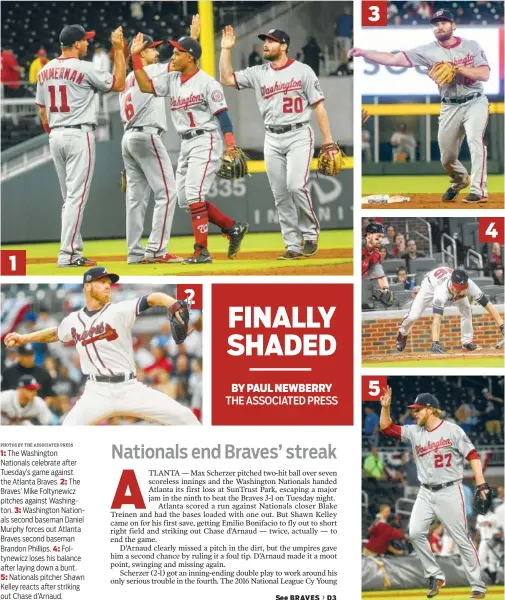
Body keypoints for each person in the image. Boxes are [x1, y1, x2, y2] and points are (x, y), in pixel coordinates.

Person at [4, 266, 200, 426]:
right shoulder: (73, 320)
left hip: (129, 387)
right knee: (67, 431)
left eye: (109, 282)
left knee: (186, 418)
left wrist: (172, 303)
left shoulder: (119, 310)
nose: (108, 286)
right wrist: (25, 338)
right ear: (87, 287)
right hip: (96, 391)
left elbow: (152, 298)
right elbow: (55, 333)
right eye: (102, 282)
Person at [220, 26, 339, 259]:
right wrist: (225, 50)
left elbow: (319, 107)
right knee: (280, 194)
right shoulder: (258, 72)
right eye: (265, 41)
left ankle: (310, 233)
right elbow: (225, 78)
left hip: (298, 134)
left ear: (283, 46)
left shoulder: (303, 71)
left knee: (296, 185)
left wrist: (328, 141)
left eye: (272, 41)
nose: (266, 44)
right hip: (272, 137)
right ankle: (292, 245)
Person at [130, 31, 249, 264]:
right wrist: (135, 57)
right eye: (173, 52)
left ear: (191, 57)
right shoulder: (172, 79)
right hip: (186, 143)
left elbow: (222, 115)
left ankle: (201, 251)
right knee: (185, 199)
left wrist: (231, 144)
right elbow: (144, 86)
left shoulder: (207, 83)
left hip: (206, 139)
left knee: (194, 194)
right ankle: (231, 227)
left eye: (177, 53)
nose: (172, 57)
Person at [349, 9, 490, 203]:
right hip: (449, 105)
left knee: (476, 141)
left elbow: (484, 74)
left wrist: (457, 68)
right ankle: (459, 180)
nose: (439, 26)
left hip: (475, 100)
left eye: (444, 22)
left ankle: (478, 190)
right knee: (447, 158)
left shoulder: (471, 46)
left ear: (453, 25)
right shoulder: (427, 51)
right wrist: (364, 53)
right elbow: (394, 59)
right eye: (436, 23)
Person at [379, 387, 490, 599]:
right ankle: (435, 575)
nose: (415, 413)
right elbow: (387, 429)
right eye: (414, 410)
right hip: (425, 492)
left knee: (461, 539)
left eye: (418, 409)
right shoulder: (414, 431)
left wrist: (481, 482)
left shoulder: (453, 430)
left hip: (449, 490)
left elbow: (473, 455)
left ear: (431, 410)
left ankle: (478, 586)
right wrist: (386, 408)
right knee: (415, 532)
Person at [35, 24, 126, 267]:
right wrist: (118, 50)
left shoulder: (45, 70)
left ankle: (73, 251)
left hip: (55, 135)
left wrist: (54, 133)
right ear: (76, 44)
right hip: (79, 134)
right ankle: (67, 254)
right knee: (76, 198)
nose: (87, 43)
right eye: (84, 40)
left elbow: (42, 111)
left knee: (69, 198)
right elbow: (118, 84)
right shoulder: (85, 68)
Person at [120, 34, 182, 264]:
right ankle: (156, 250)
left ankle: (134, 252)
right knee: (167, 192)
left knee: (135, 200)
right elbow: (179, 63)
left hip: (129, 137)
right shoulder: (151, 70)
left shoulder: (127, 78)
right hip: (147, 135)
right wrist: (192, 38)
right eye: (153, 49)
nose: (157, 53)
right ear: (141, 53)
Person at [396, 267, 504, 354]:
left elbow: (488, 305)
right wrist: (435, 342)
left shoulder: (469, 285)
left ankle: (467, 342)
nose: (461, 293)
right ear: (452, 286)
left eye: (463, 289)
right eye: (458, 290)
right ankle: (402, 331)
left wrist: (502, 325)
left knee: (466, 308)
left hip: (445, 280)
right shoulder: (441, 292)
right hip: (430, 285)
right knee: (413, 316)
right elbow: (437, 318)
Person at [362, 222, 393, 307]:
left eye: (382, 237)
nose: (380, 240)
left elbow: (380, 276)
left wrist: (385, 290)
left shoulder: (376, 255)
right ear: (368, 235)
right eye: (378, 237)